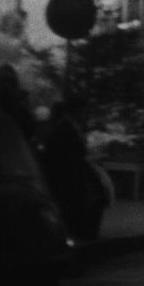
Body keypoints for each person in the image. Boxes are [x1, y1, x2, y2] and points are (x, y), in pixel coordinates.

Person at [41, 96, 107, 241]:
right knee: (72, 204)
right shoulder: (65, 128)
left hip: (71, 174)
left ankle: (80, 232)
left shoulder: (69, 127)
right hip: (67, 175)